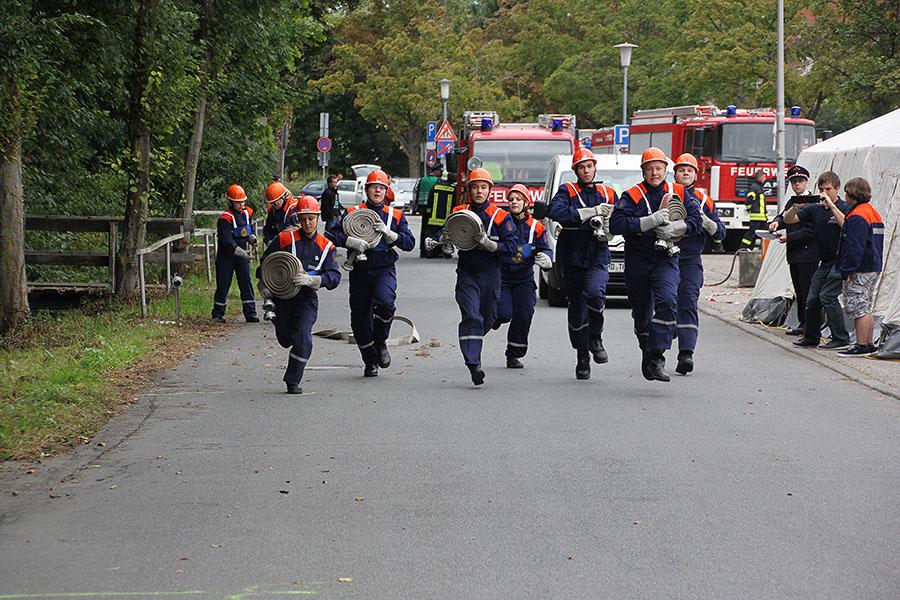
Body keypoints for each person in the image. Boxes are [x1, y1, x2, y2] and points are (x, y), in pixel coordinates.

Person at [609, 147, 702, 382]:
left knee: (669, 300)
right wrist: (648, 222)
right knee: (641, 314)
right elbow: (616, 224)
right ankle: (647, 352)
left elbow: (696, 220)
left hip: (666, 258)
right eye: (650, 169)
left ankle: (658, 355)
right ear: (643, 171)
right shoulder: (632, 195)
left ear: (665, 170)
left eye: (658, 168)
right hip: (638, 258)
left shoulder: (678, 192)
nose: (654, 173)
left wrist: (678, 228)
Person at [427, 168, 518, 385]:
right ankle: (473, 364)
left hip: (491, 273)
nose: (479, 191)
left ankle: (475, 343)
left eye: (483, 187)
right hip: (467, 273)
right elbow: (446, 232)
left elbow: (513, 246)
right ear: (469, 190)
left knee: (486, 318)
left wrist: (491, 245)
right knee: (471, 316)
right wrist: (441, 240)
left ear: (490, 190)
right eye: (475, 187)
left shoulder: (501, 216)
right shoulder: (460, 211)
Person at [330, 169, 416, 377]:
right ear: (366, 189)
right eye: (373, 187)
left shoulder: (395, 215)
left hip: (384, 267)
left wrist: (390, 234)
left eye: (381, 187)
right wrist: (350, 241)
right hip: (359, 269)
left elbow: (410, 243)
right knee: (359, 318)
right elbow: (332, 233)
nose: (377, 190)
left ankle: (381, 342)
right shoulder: (352, 212)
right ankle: (370, 360)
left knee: (386, 303)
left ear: (386, 191)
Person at [548, 147, 618, 380]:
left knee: (596, 293)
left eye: (589, 166)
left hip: (597, 254)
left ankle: (595, 337)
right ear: (576, 170)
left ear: (595, 167)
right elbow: (556, 212)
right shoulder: (566, 191)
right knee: (577, 307)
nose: (586, 170)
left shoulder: (608, 192)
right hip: (572, 257)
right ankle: (581, 354)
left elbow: (621, 218)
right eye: (582, 167)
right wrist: (590, 212)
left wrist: (610, 227)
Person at [259, 196, 340, 394]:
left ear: (318, 218)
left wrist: (315, 281)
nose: (307, 223)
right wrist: (266, 284)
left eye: (311, 218)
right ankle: (289, 342)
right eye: (303, 219)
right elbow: (263, 266)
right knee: (286, 339)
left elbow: (334, 275)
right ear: (298, 218)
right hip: (282, 298)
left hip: (306, 298)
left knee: (304, 338)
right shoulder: (284, 239)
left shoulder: (326, 246)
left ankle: (292, 380)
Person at [672, 153, 726, 375]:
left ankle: (686, 353)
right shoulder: (665, 195)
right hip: (665, 257)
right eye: (681, 169)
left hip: (691, 259)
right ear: (674, 173)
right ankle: (667, 331)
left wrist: (706, 222)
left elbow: (720, 233)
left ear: (696, 174)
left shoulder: (706, 201)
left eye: (690, 170)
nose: (685, 173)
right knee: (666, 301)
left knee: (688, 301)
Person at [786, 171, 851, 350]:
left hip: (840, 260)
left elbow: (846, 224)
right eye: (821, 189)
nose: (824, 192)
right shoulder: (814, 209)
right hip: (825, 260)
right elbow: (789, 220)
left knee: (827, 296)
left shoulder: (843, 207)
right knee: (812, 298)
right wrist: (795, 207)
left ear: (836, 188)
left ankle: (841, 337)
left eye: (828, 189)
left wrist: (831, 206)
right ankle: (811, 336)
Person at [493, 184, 553, 369]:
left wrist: (547, 259)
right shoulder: (501, 222)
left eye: (518, 200)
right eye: (511, 200)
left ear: (526, 203)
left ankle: (514, 354)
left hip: (524, 278)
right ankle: (494, 317)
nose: (514, 203)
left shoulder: (536, 227)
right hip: (503, 276)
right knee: (504, 313)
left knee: (524, 313)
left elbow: (545, 248)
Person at [836, 178, 884, 357]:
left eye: (847, 193)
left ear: (853, 194)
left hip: (860, 268)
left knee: (859, 307)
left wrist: (847, 271)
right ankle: (869, 343)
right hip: (873, 265)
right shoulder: (872, 212)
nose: (845, 196)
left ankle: (861, 345)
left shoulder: (857, 216)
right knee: (866, 305)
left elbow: (854, 248)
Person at [768, 165, 818, 336]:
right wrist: (776, 222)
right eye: (794, 181)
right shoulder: (792, 201)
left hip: (808, 253)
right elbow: (783, 216)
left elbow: (811, 231)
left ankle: (809, 326)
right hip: (795, 253)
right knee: (798, 290)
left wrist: (790, 237)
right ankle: (802, 322)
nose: (797, 184)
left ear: (806, 182)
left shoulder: (813, 202)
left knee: (807, 290)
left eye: (800, 181)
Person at [211, 184, 259, 323]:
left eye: (242, 201)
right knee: (223, 284)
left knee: (246, 282)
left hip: (242, 253)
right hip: (227, 256)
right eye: (238, 202)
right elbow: (227, 241)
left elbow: (248, 231)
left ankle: (250, 313)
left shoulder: (246, 214)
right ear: (230, 202)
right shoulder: (224, 219)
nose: (241, 204)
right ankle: (218, 314)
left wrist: (252, 238)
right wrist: (241, 252)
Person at [262, 181, 298, 246]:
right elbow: (268, 228)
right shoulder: (272, 211)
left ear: (283, 197)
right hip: (278, 244)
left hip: (292, 243)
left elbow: (297, 228)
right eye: (272, 202)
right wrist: (268, 239)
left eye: (277, 201)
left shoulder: (292, 208)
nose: (275, 204)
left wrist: (281, 236)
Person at [740, 170, 769, 250]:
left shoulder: (758, 187)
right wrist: (750, 210)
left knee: (766, 234)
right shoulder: (754, 187)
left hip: (762, 217)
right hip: (756, 217)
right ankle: (743, 249)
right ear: (760, 178)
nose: (765, 178)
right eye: (764, 177)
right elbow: (748, 201)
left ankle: (764, 250)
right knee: (751, 234)